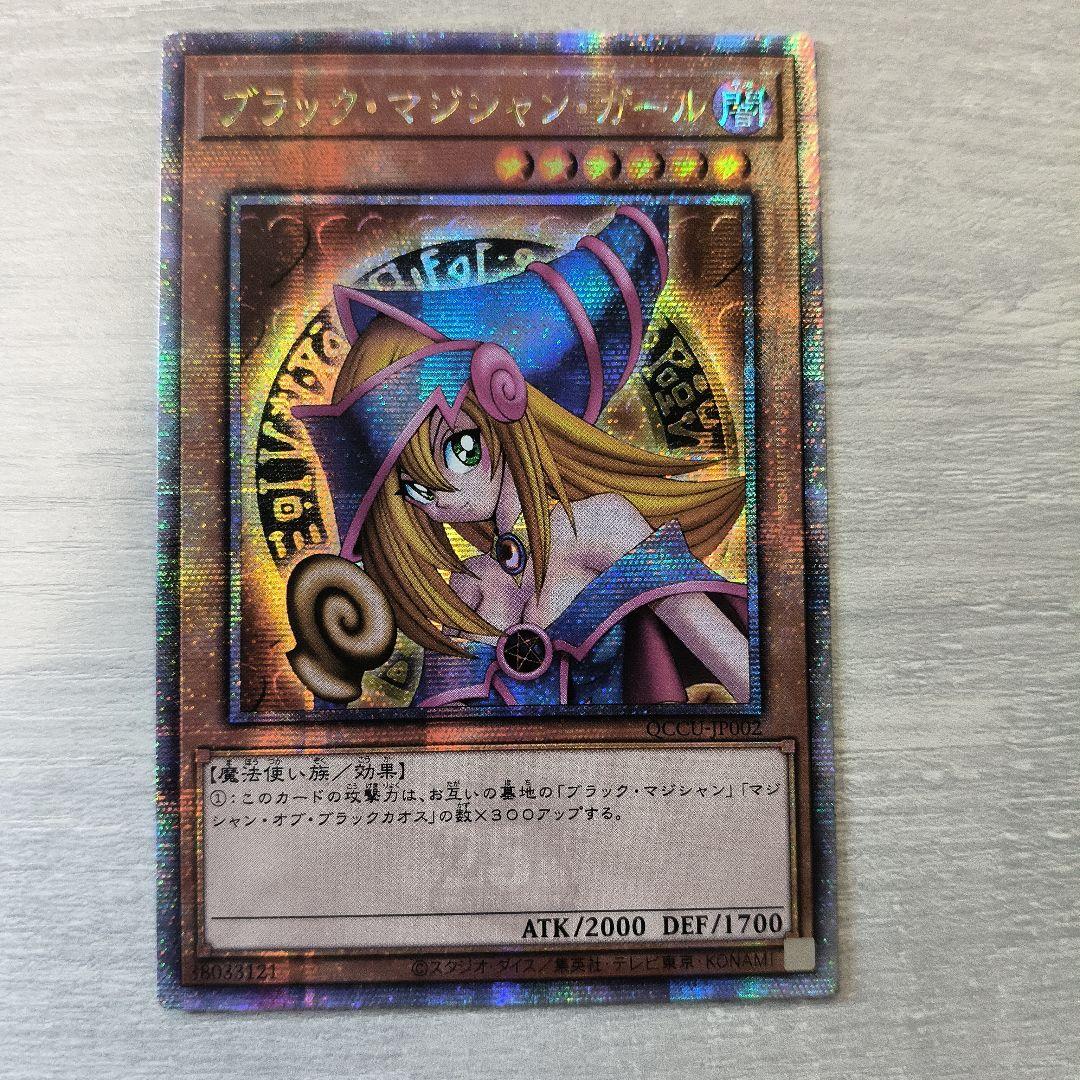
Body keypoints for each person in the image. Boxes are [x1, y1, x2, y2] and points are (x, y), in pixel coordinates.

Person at [290, 206, 749, 708]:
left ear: (506, 410)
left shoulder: (600, 525)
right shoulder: (471, 586)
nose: (439, 500)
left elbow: (740, 668)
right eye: (415, 487)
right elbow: (438, 741)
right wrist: (332, 678)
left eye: (459, 450)